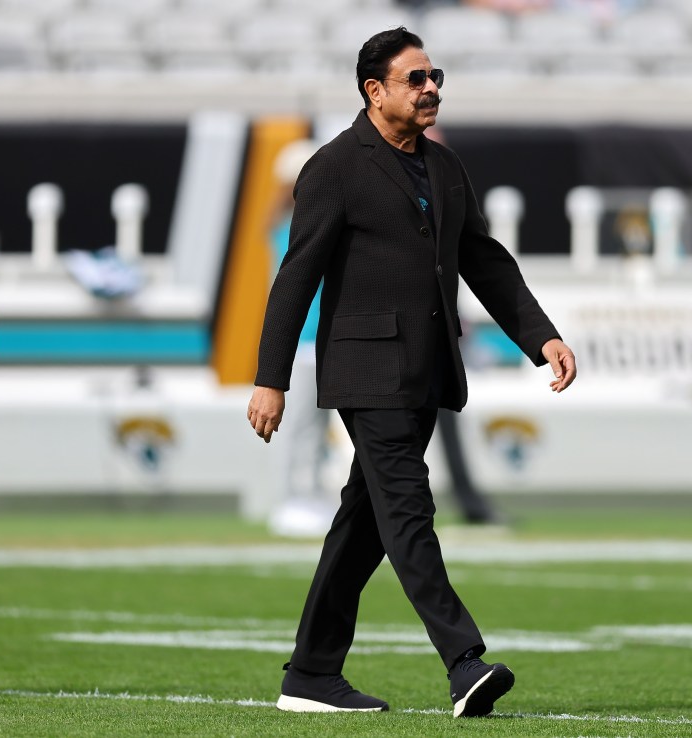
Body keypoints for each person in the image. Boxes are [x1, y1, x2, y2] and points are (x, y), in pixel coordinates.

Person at [247, 26, 576, 718]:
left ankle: (309, 675)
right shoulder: (334, 168)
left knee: (363, 523)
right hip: (365, 370)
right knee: (407, 510)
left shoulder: (443, 167)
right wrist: (270, 378)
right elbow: (294, 278)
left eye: (436, 78)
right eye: (416, 79)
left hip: (426, 369)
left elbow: (484, 260)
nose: (431, 90)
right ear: (375, 91)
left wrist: (539, 336)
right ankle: (464, 664)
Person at [265, 139, 337, 538]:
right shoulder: (290, 229)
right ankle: (289, 499)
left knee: (315, 427)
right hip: (305, 343)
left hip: (320, 341)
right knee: (299, 427)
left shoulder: (294, 225)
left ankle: (306, 495)